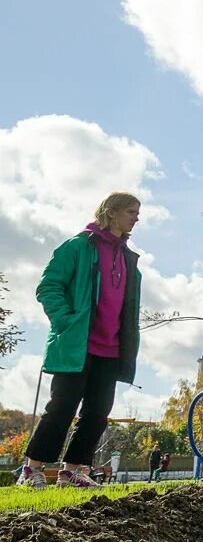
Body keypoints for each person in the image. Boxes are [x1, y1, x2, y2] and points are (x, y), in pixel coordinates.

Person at [13, 193, 144, 491]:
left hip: (110, 348)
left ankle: (72, 471)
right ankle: (32, 468)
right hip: (77, 344)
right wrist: (66, 321)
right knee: (61, 408)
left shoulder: (128, 258)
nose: (136, 218)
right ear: (111, 213)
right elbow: (48, 286)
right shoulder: (77, 247)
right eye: (131, 212)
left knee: (98, 413)